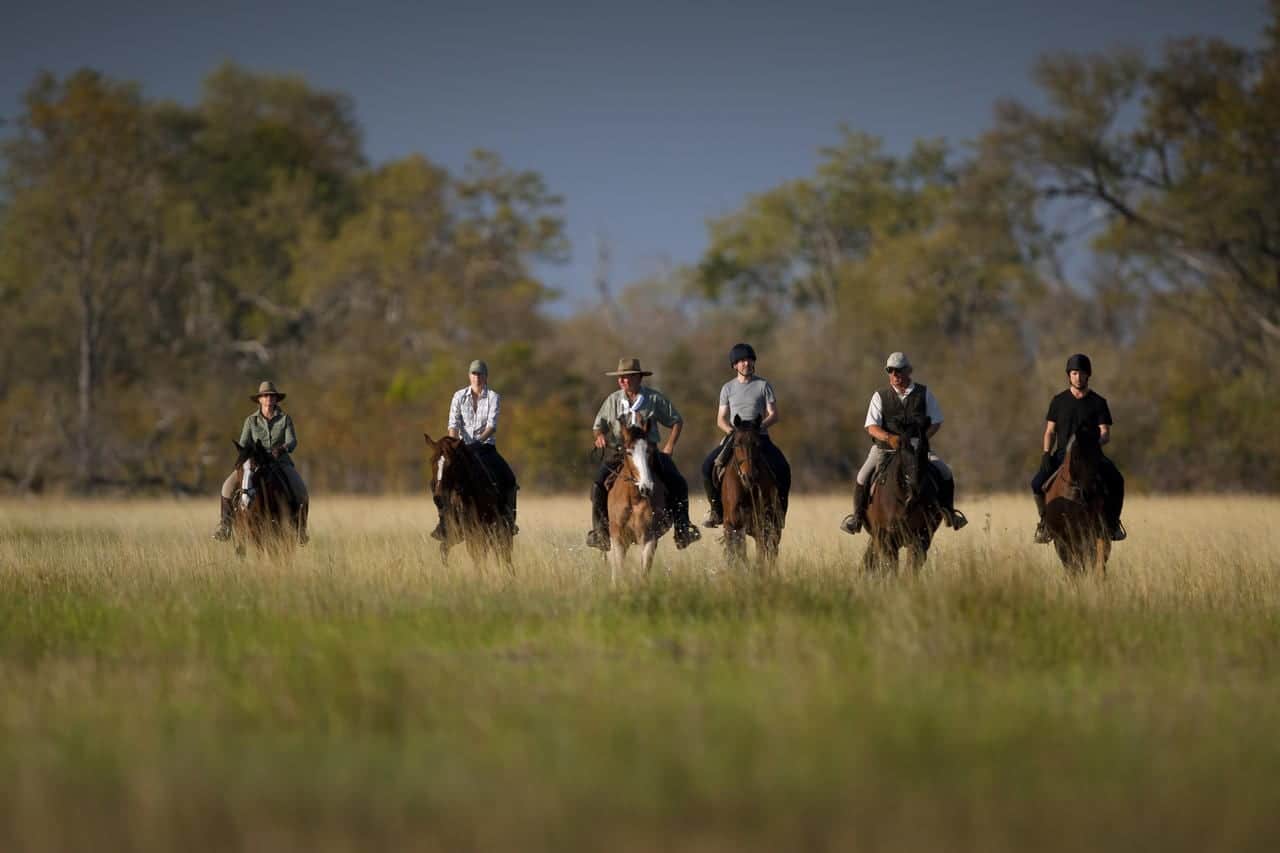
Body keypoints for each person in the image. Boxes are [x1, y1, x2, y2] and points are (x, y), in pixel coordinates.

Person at [841, 352, 966, 534]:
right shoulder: (880, 396)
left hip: (917, 448)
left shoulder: (924, 393)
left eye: (898, 371)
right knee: (862, 476)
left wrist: (923, 440)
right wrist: (888, 437)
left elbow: (936, 421)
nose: (894, 375)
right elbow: (871, 427)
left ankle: (950, 513)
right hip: (886, 449)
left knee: (945, 472)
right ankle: (857, 518)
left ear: (909, 371)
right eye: (890, 371)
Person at [586, 358, 701, 551]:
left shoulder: (654, 399)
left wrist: (669, 445)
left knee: (678, 483)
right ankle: (600, 532)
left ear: (639, 378)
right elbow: (598, 426)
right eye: (621, 378)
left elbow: (676, 421)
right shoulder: (612, 400)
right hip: (620, 453)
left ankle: (682, 529)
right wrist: (599, 437)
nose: (623, 381)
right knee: (598, 485)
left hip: (649, 452)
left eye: (628, 377)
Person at [1032, 353, 1126, 542]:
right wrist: (1045, 454)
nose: (1078, 377)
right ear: (1069, 375)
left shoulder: (1098, 402)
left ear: (1088, 375)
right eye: (1074, 373)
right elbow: (1050, 431)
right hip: (1061, 456)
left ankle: (1113, 523)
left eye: (1082, 373)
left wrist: (1093, 445)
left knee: (1117, 479)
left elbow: (1105, 433)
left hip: (1092, 457)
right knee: (1036, 483)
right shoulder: (1058, 401)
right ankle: (1045, 524)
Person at [701, 343, 792, 527]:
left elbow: (774, 414)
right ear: (735, 365)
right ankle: (716, 511)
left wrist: (759, 428)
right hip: (736, 437)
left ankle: (780, 511)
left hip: (759, 436)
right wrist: (732, 433)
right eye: (742, 361)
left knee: (783, 467)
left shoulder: (763, 385)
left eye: (749, 360)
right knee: (707, 466)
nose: (746, 364)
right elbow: (720, 419)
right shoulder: (727, 388)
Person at [213, 380, 310, 543]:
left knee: (299, 487)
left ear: (276, 399)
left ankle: (300, 529)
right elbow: (243, 444)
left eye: (272, 396)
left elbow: (292, 441)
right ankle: (225, 526)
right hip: (254, 463)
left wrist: (282, 448)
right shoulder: (250, 421)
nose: (269, 398)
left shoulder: (285, 419)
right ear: (259, 399)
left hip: (280, 462)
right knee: (227, 487)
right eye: (265, 396)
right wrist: (249, 454)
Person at [432, 359, 519, 540]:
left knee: (509, 478)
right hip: (461, 450)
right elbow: (453, 424)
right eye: (474, 374)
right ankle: (444, 524)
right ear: (469, 376)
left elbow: (491, 426)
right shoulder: (458, 396)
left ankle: (508, 519)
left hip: (485, 448)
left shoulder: (493, 397)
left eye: (480, 374)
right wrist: (454, 446)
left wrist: (477, 443)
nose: (476, 377)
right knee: (441, 481)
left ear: (486, 377)